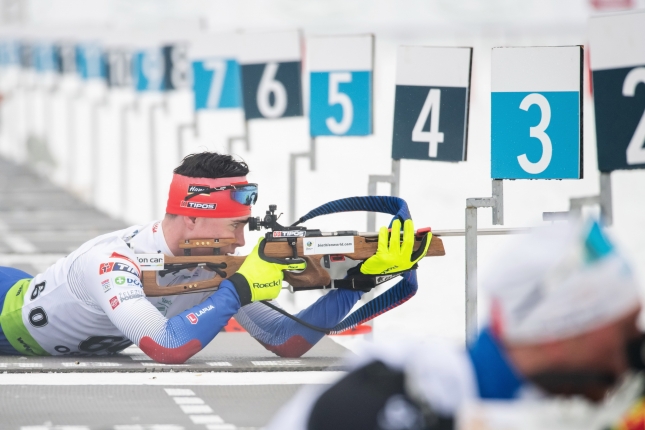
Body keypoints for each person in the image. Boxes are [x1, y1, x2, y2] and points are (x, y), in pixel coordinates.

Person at [0, 152, 427, 364]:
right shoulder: (112, 261)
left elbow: (286, 340)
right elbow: (167, 347)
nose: (242, 240)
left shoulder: (212, 265)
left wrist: (357, 284)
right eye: (234, 226)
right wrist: (238, 290)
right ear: (190, 220)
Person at [266, 219, 644, 430]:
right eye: (623, 334)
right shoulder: (389, 391)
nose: (631, 356)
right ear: (560, 336)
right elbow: (291, 339)